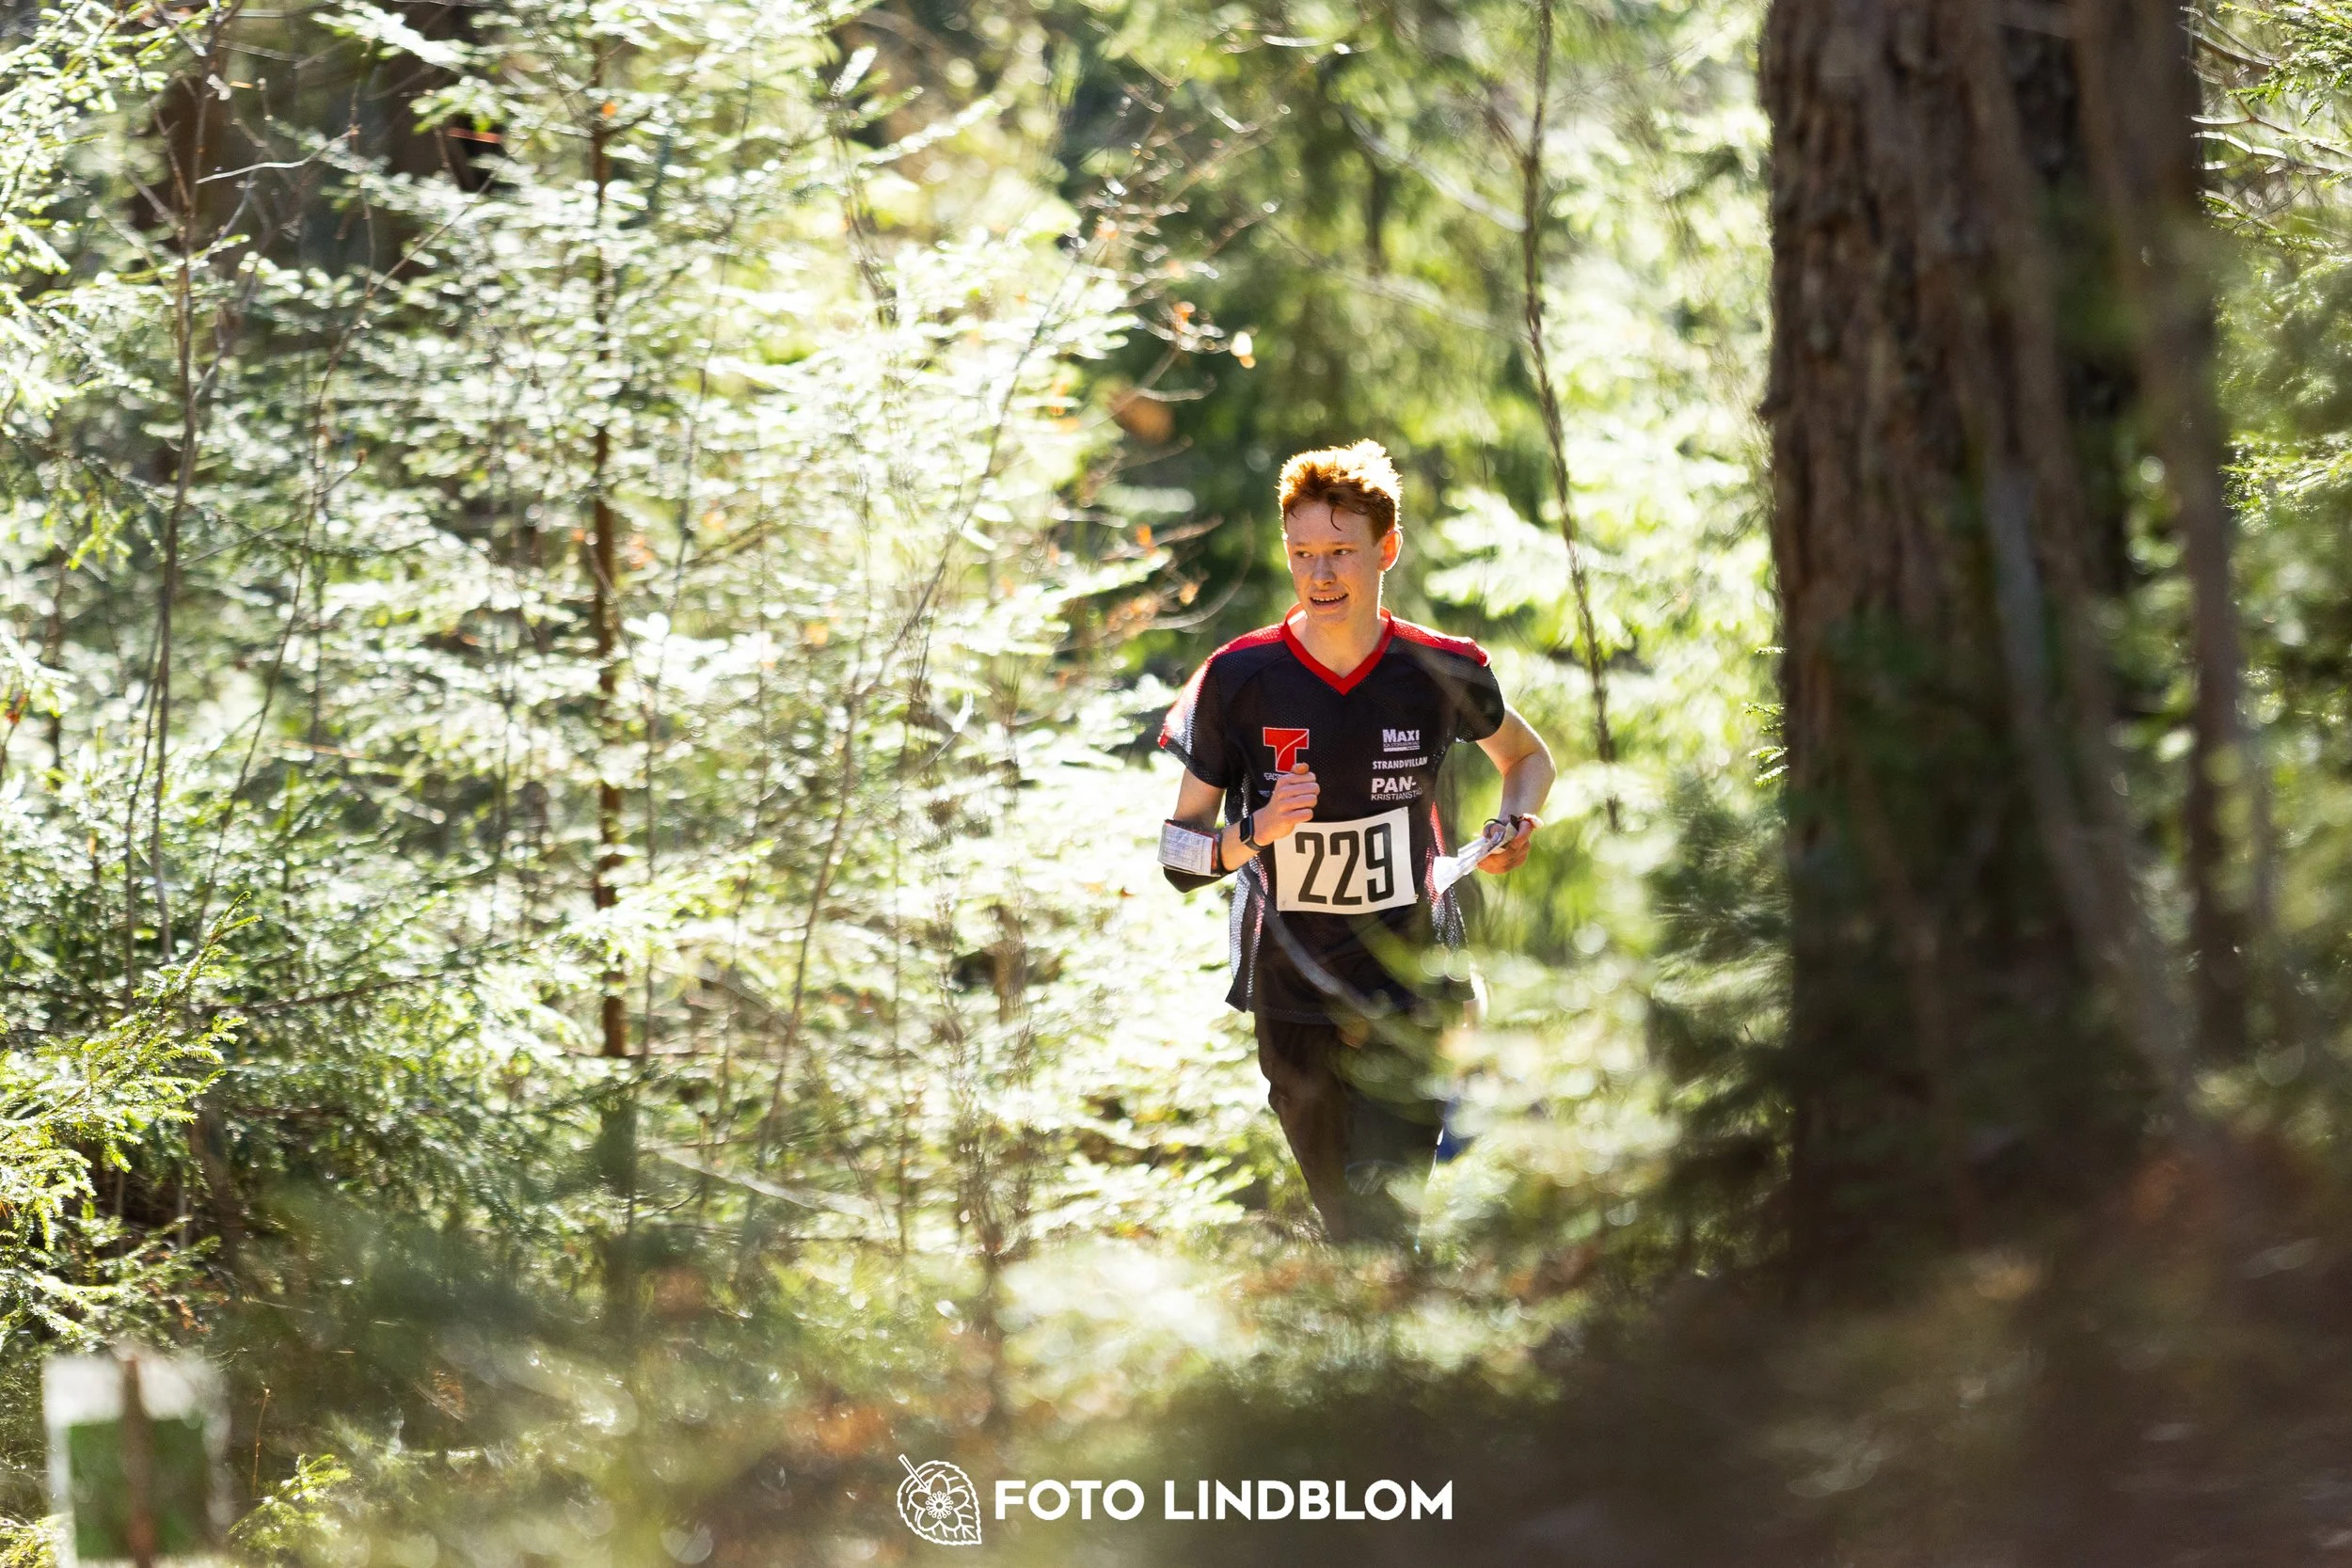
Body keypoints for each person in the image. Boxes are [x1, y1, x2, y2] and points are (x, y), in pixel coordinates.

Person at [1157, 440, 1555, 1244]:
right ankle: (1377, 1359)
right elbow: (1176, 852)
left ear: (1387, 549)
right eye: (1303, 553)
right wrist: (1252, 833)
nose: (1322, 574)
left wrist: (1515, 823)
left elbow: (1528, 759)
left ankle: (1399, 1361)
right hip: (1291, 989)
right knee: (1347, 1221)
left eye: (1342, 551)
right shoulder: (1238, 678)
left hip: (1411, 982)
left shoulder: (1442, 668)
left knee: (1385, 1219)